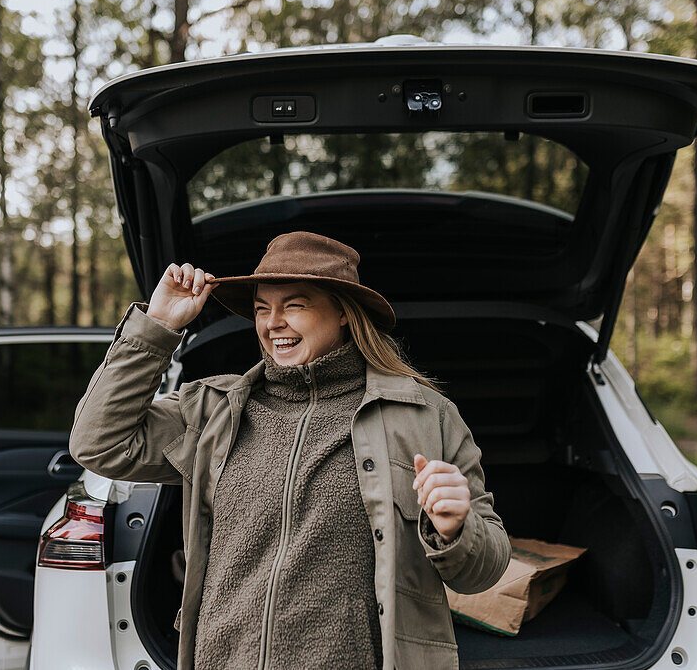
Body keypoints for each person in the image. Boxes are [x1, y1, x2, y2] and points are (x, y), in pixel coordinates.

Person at [70, 231, 511, 670]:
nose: (272, 323)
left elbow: (484, 569)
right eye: (262, 309)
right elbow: (98, 442)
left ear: (343, 312)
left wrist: (456, 529)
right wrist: (158, 328)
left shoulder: (423, 416)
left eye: (294, 305)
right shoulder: (213, 410)